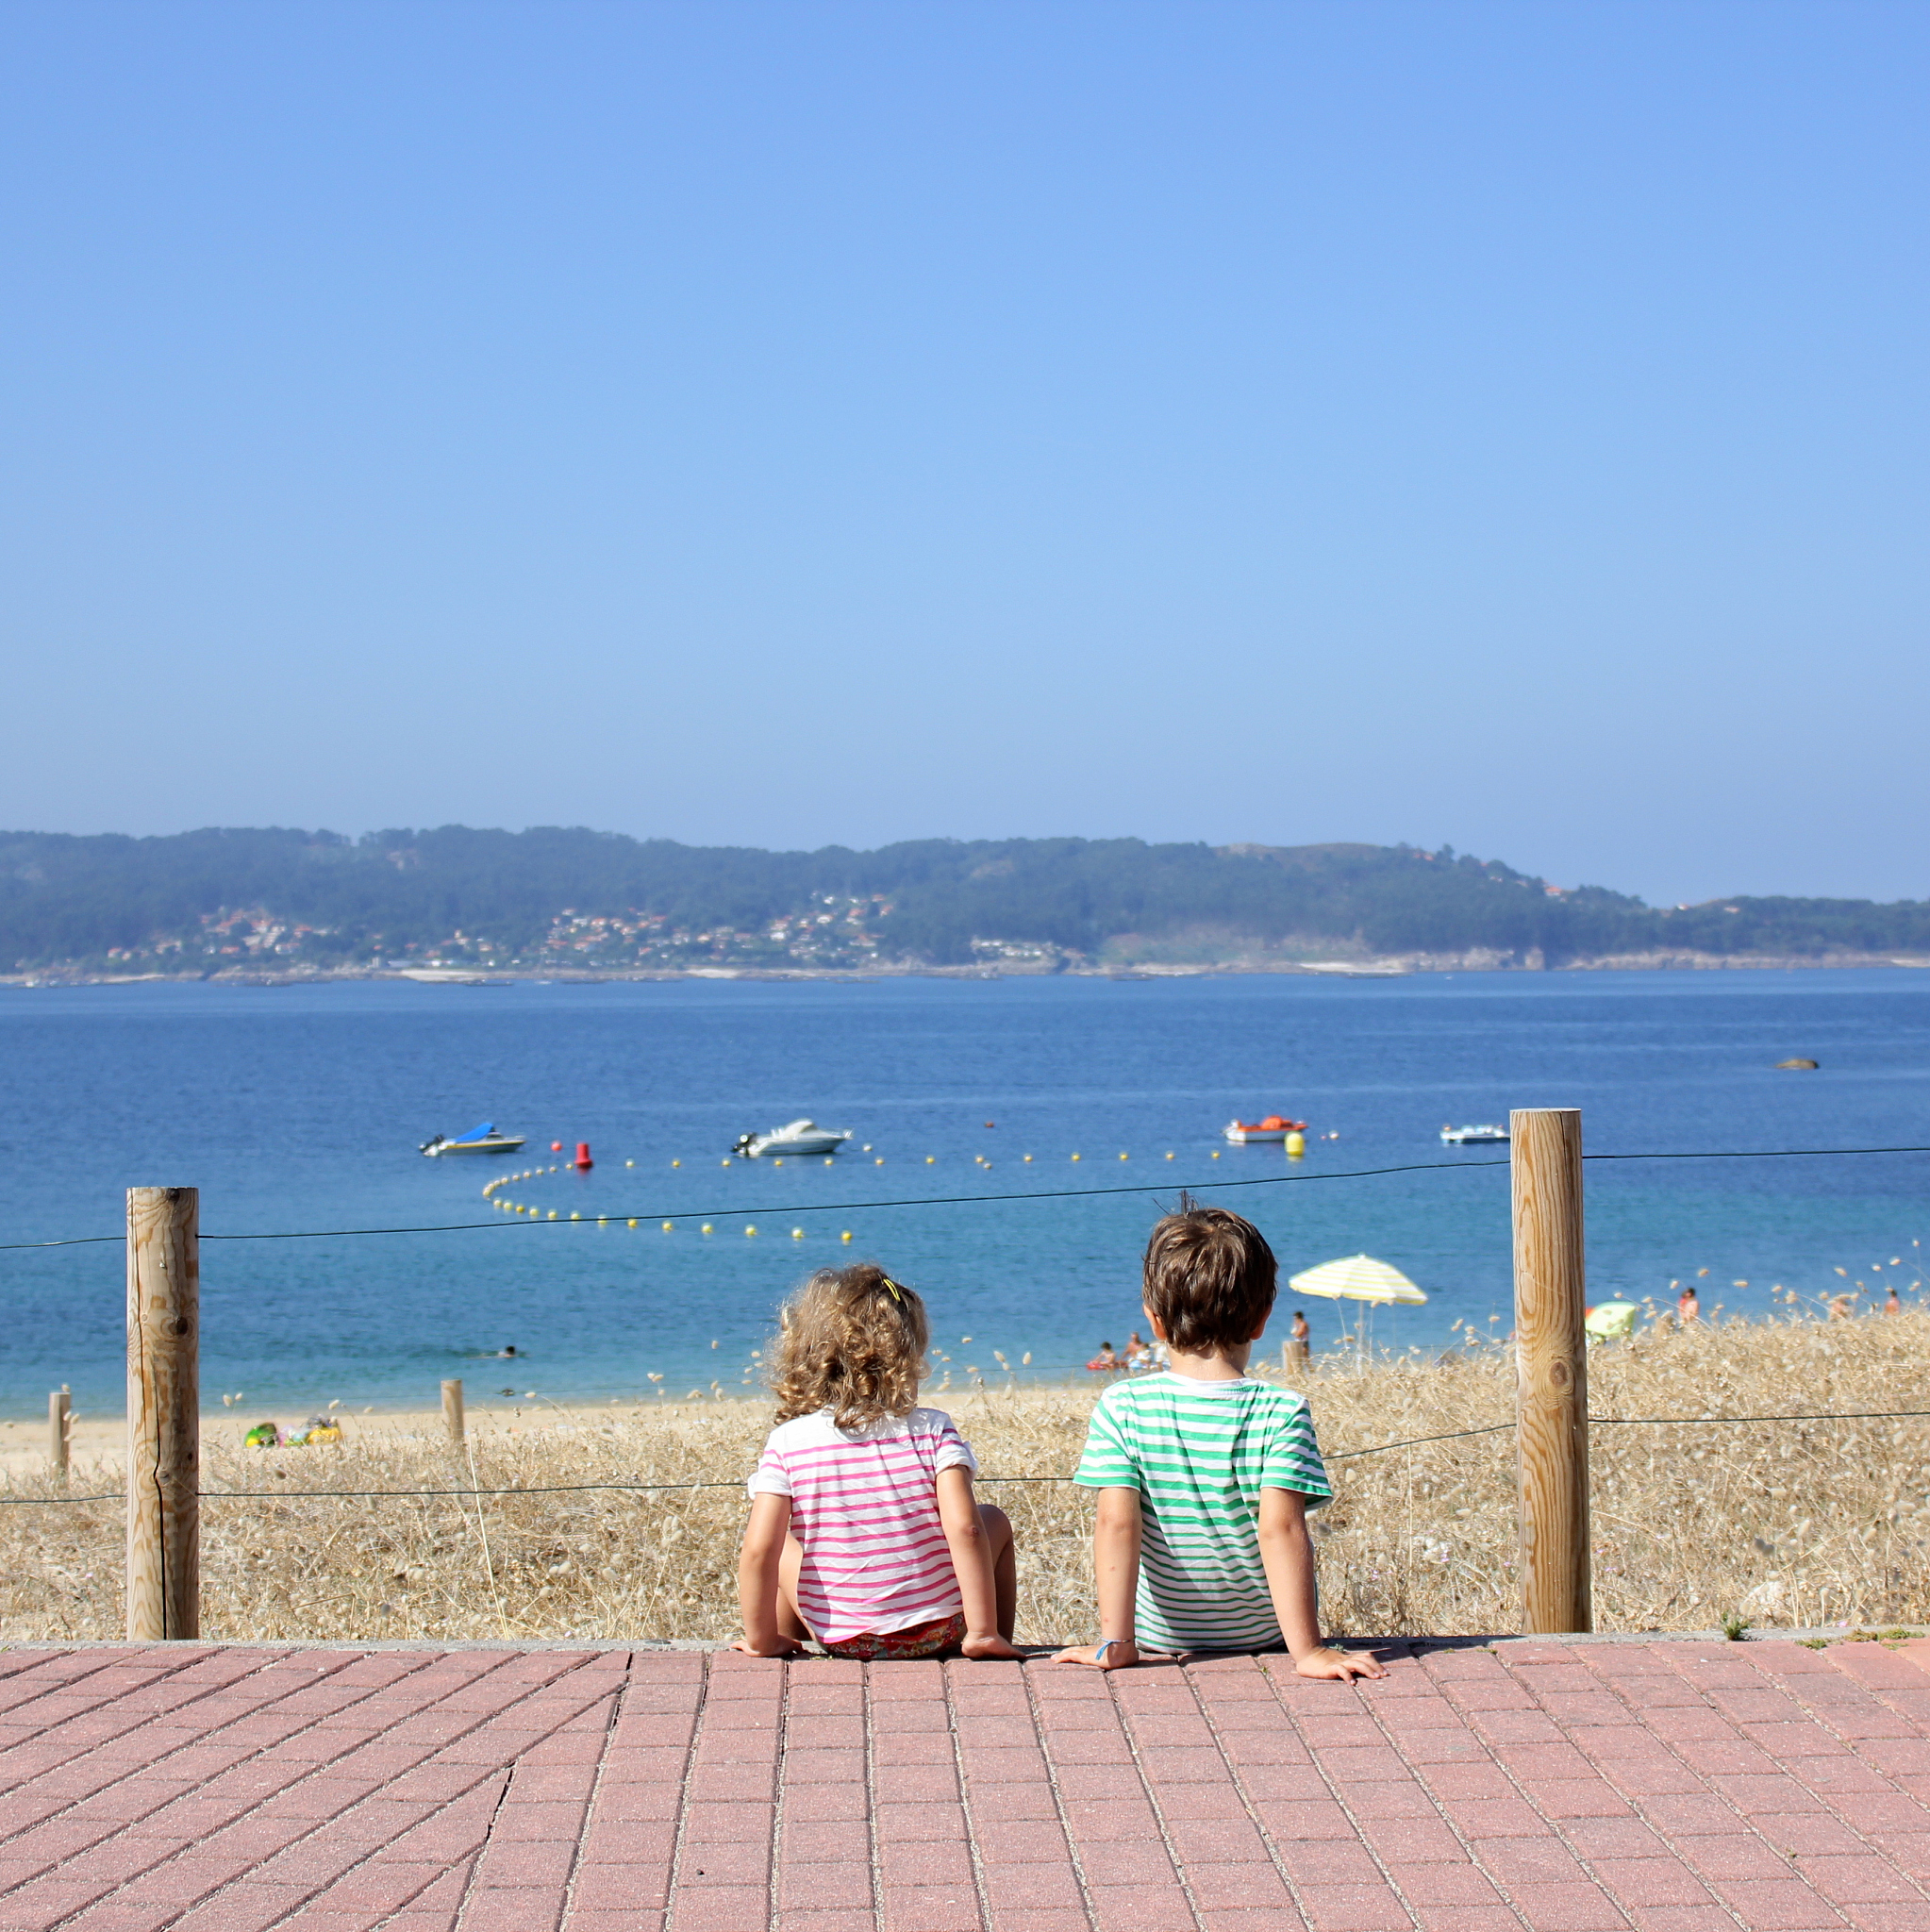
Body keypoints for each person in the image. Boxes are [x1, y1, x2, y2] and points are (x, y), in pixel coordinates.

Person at [1054, 1199, 1385, 1682]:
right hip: (1265, 1634)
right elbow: (1282, 1531)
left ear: (1155, 1322)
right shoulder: (1280, 1410)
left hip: (1162, 1638)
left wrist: (1116, 1643)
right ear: (1262, 1319)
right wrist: (1309, 1651)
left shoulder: (1121, 1406)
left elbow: (1116, 1525)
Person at [736, 1264, 1020, 1662]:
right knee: (993, 1519)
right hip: (942, 1628)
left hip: (843, 1636)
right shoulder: (932, 1429)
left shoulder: (788, 1441)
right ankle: (991, 1638)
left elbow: (756, 1552)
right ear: (910, 1350)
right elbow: (967, 1530)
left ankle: (778, 1643)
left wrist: (758, 1639)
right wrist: (979, 1630)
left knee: (780, 1541)